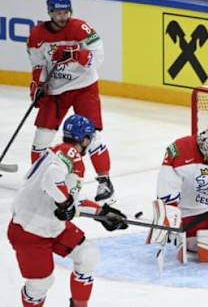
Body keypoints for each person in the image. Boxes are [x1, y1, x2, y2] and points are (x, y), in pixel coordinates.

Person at [7, 114, 128, 307]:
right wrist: (66, 204)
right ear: (85, 139)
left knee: (87, 255)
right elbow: (52, 181)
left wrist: (102, 213)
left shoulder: (61, 152)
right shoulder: (69, 154)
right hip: (29, 230)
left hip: (52, 225)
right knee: (40, 284)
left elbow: (70, 199)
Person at [27, 0, 115, 204]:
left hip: (84, 87)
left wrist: (74, 54)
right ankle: (39, 180)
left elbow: (98, 57)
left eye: (65, 11)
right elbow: (39, 65)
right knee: (41, 138)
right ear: (49, 12)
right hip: (56, 91)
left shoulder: (81, 28)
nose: (62, 16)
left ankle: (105, 181)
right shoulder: (37, 35)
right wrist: (38, 85)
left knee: (92, 135)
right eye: (57, 13)